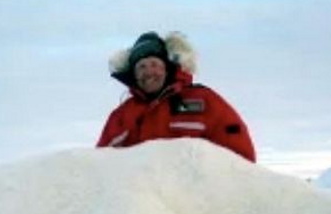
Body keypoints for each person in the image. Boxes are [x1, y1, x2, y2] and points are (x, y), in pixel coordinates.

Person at [96, 31, 256, 163]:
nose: (148, 72)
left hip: (196, 198)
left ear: (167, 69)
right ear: (133, 75)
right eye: (141, 67)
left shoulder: (204, 101)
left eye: (154, 64)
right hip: (141, 199)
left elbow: (241, 159)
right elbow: (100, 164)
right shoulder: (121, 116)